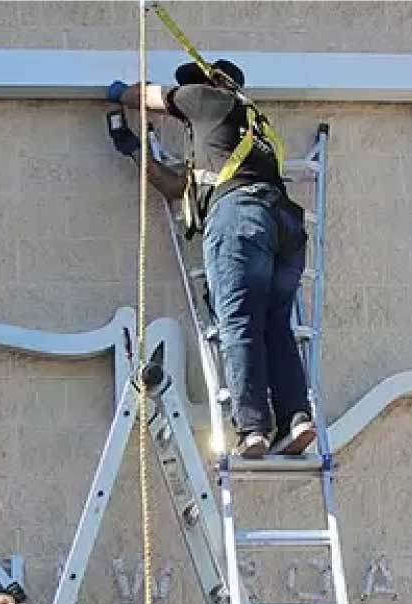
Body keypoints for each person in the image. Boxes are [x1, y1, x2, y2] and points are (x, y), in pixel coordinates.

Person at [108, 59, 316, 458]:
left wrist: (119, 93)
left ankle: (253, 427)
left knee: (239, 322)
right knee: (276, 327)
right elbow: (176, 188)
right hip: (283, 226)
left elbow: (147, 96)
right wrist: (135, 151)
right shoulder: (249, 133)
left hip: (241, 220)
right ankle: (296, 419)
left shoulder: (210, 98)